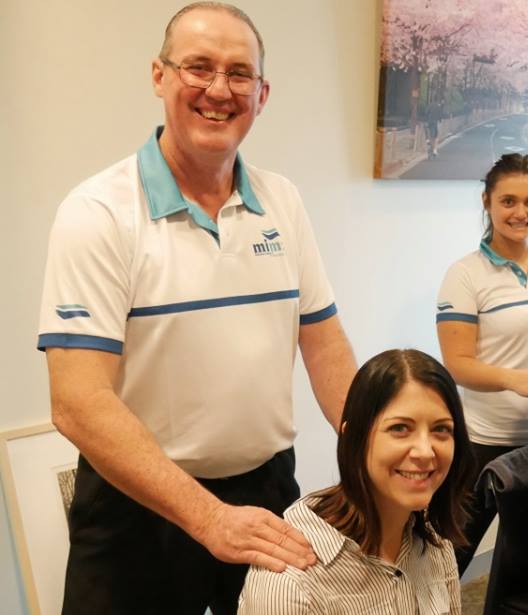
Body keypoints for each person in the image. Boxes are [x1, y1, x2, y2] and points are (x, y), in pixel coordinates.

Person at [36, 4, 357, 613]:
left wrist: (375, 456)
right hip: (138, 507)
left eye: (239, 73)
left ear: (262, 94)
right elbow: (77, 402)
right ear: (159, 76)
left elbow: (325, 345)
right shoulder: (98, 212)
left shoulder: (283, 201)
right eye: (198, 67)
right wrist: (208, 518)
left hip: (266, 490)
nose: (218, 89)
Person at [238, 349, 472, 614]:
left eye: (441, 429)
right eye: (400, 428)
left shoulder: (433, 539)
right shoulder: (290, 584)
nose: (425, 451)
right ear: (354, 439)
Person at [436, 153, 528, 574]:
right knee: (448, 557)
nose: (521, 213)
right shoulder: (465, 274)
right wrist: (515, 380)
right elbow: (458, 364)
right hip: (484, 441)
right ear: (487, 202)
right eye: (508, 201)